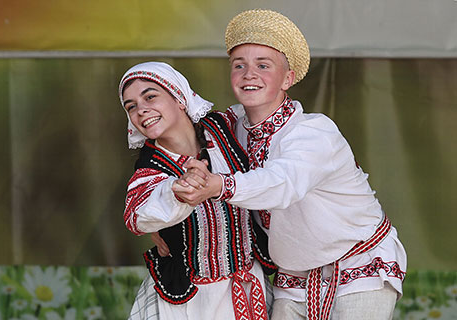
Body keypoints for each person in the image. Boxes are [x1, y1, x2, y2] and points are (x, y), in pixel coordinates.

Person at [172, 9, 407, 320]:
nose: (248, 74)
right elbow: (175, 135)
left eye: (263, 66)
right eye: (238, 65)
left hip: (359, 264)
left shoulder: (314, 131)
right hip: (293, 276)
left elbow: (282, 182)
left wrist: (219, 186)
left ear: (288, 78)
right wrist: (164, 223)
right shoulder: (230, 129)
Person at [118, 61, 276, 320]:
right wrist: (177, 192)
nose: (141, 110)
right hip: (190, 303)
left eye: (150, 96)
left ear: (179, 98)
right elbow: (137, 216)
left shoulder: (224, 127)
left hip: (248, 288)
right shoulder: (151, 167)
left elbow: (269, 118)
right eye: (131, 106)